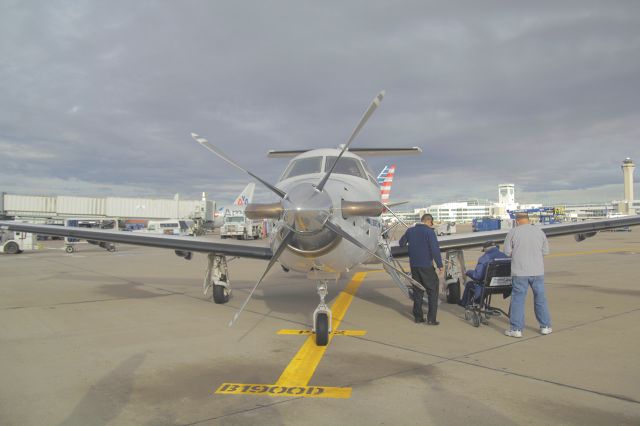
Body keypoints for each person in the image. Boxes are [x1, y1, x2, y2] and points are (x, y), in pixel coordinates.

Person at [503, 212, 552, 338]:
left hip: (520, 272)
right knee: (540, 299)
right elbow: (545, 252)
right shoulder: (539, 232)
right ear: (528, 220)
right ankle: (545, 326)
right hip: (537, 272)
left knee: (518, 300)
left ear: (517, 221)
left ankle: (516, 329)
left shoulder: (513, 232)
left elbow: (507, 252)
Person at [399, 214, 443, 325]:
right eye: (431, 223)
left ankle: (418, 317)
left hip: (414, 266)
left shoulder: (410, 231)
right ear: (428, 221)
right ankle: (431, 319)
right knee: (433, 290)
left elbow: (401, 243)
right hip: (426, 266)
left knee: (417, 291)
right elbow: (434, 249)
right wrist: (440, 265)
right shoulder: (429, 232)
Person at [459, 242, 507, 307]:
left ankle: (466, 302)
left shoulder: (485, 258)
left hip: (488, 286)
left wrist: (468, 272)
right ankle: (479, 301)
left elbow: (477, 276)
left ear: (486, 249)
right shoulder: (504, 256)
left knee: (470, 284)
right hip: (503, 286)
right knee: (485, 282)